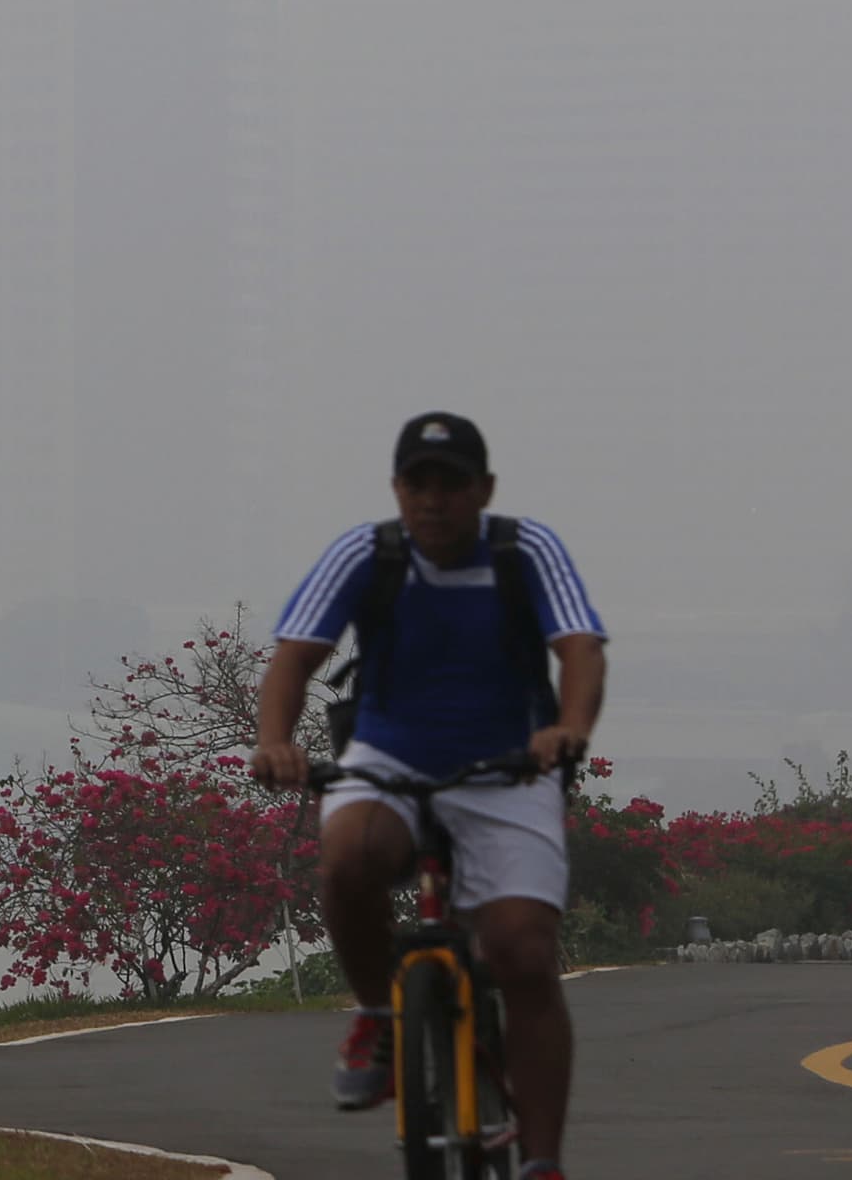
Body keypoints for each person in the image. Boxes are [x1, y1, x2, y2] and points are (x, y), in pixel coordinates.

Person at [252, 411, 607, 1180]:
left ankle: (542, 1160)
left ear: (483, 489)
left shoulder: (525, 550)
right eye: (418, 484)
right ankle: (381, 1015)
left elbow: (579, 647)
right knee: (349, 859)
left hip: (509, 766)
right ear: (397, 489)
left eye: (451, 485)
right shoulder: (367, 552)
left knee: (522, 952)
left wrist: (568, 729)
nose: (434, 501)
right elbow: (293, 659)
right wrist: (276, 741)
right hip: (388, 758)